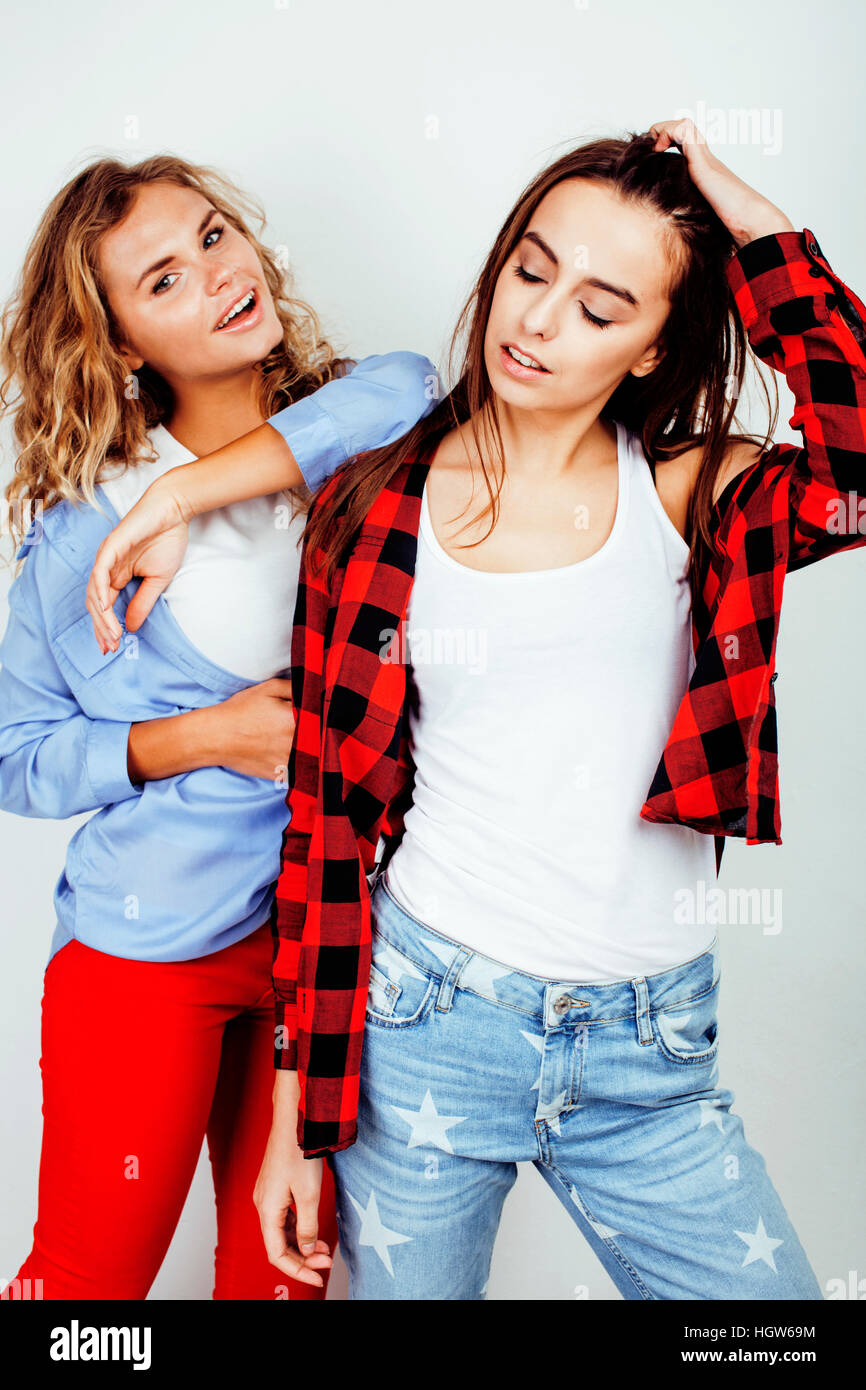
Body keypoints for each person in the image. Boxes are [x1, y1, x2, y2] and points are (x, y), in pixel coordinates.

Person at [85, 121, 866, 1300]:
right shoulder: (375, 506)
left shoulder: (690, 492)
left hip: (649, 1056)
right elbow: (330, 813)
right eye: (531, 269)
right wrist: (302, 1105)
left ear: (656, 347)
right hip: (424, 1023)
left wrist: (754, 228)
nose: (540, 321)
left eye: (603, 309)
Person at [0, 152, 436, 1300]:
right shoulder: (85, 531)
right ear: (124, 343)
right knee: (90, 1291)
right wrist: (203, 737)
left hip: (332, 951)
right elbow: (16, 755)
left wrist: (184, 495)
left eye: (210, 236)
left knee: (281, 1282)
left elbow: (411, 380)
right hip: (149, 955)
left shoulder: (369, 434)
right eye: (161, 279)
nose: (213, 273)